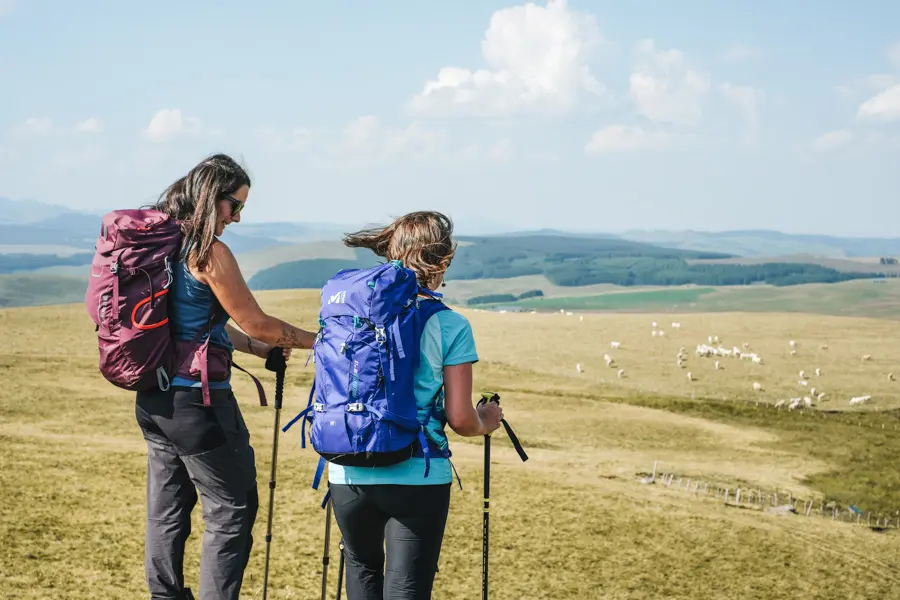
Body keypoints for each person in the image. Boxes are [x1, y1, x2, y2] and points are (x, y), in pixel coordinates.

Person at [134, 153, 317, 600]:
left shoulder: (162, 245)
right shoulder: (207, 251)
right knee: (232, 510)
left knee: (167, 510)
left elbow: (199, 322)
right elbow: (257, 321)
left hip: (153, 399)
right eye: (234, 205)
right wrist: (325, 340)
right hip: (199, 404)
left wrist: (256, 350)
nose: (236, 217)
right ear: (209, 198)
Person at [327, 211, 504, 600]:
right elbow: (461, 419)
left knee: (361, 572)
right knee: (406, 587)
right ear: (441, 262)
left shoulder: (354, 313)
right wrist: (488, 419)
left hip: (347, 469)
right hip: (418, 474)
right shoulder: (450, 325)